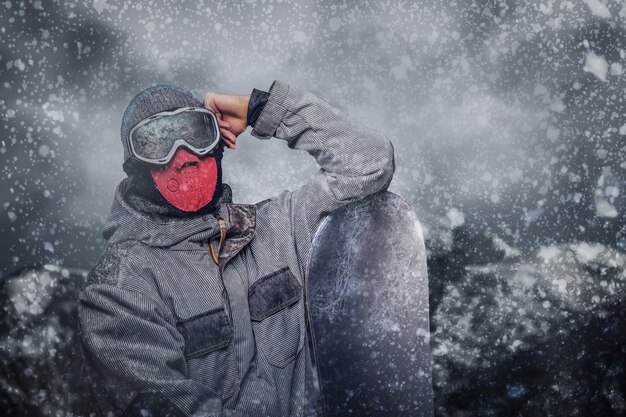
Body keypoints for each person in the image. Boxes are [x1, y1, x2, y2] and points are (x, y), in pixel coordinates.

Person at [77, 80, 396, 417]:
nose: (182, 156)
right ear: (136, 169)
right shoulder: (119, 288)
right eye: (155, 143)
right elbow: (161, 407)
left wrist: (262, 110)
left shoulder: (278, 228)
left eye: (195, 134)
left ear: (218, 143)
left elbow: (370, 162)